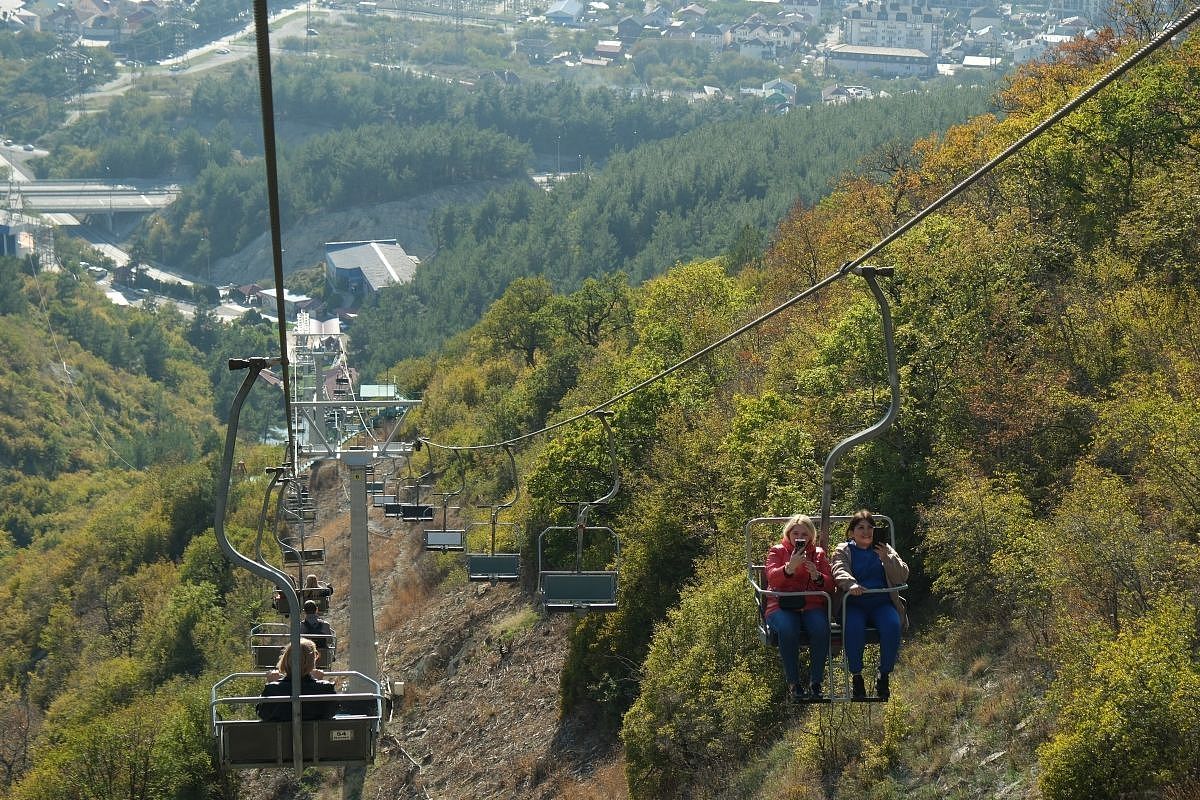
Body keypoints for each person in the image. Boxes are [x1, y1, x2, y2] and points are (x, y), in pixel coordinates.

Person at [830, 509, 909, 700]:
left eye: (870, 528)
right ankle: (857, 676)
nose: (866, 532)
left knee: (892, 625)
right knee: (853, 628)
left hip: (881, 602)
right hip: (855, 602)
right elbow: (839, 569)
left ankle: (884, 675)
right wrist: (852, 584)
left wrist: (886, 558)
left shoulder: (884, 549)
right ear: (851, 532)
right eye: (861, 528)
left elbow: (902, 576)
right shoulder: (844, 550)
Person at [764, 514, 833, 701]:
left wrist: (817, 576)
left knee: (821, 629)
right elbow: (771, 577)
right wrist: (789, 568)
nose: (799, 537)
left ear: (811, 536)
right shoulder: (777, 551)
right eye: (795, 533)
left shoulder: (818, 553)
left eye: (804, 533)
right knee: (788, 629)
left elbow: (829, 585)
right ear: (789, 533)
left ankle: (816, 682)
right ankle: (794, 683)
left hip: (810, 603)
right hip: (782, 604)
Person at [256, 638, 339, 721]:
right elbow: (331, 712)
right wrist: (317, 682)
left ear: (285, 659)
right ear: (313, 660)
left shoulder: (272, 689)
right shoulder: (325, 689)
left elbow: (262, 713)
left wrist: (272, 683)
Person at [300, 600, 335, 666]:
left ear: (304, 611)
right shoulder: (325, 625)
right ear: (316, 609)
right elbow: (330, 641)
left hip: (305, 660)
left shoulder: (300, 626)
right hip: (323, 659)